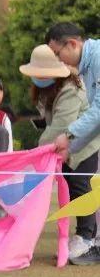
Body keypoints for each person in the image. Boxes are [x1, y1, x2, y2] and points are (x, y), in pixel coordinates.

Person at [20, 44, 98, 262]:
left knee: (80, 186)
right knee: (73, 186)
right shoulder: (47, 91)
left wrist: (34, 153)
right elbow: (51, 124)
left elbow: (60, 127)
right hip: (66, 145)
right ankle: (84, 237)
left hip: (85, 143)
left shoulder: (70, 89)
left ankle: (85, 238)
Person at [46, 22, 100, 263]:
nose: (60, 60)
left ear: (72, 44)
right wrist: (72, 147)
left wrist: (68, 135)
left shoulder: (97, 58)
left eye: (58, 53)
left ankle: (91, 241)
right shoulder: (87, 68)